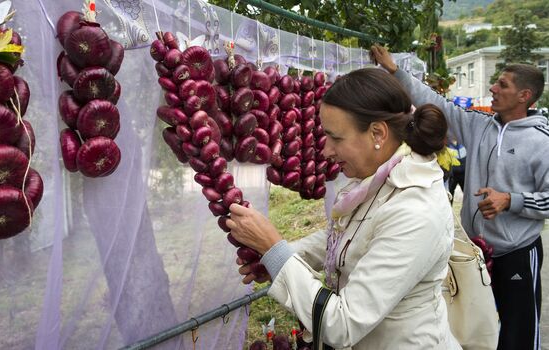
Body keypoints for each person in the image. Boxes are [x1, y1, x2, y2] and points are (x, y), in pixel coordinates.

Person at [227, 68, 462, 349]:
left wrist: (274, 249)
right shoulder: (378, 180)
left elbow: (342, 325)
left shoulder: (415, 210)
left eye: (336, 138)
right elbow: (344, 239)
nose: (326, 150)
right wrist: (282, 258)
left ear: (377, 133)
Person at [371, 44, 549, 350]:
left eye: (502, 84)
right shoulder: (479, 125)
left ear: (525, 96)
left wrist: (511, 200)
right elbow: (436, 102)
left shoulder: (540, 140)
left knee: (517, 335)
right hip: (475, 255)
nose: (493, 87)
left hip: (517, 253)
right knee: (477, 331)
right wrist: (394, 71)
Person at [447, 138, 467, 203]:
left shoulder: (464, 140)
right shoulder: (446, 143)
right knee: (449, 198)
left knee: (468, 196)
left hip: (464, 175)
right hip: (452, 176)